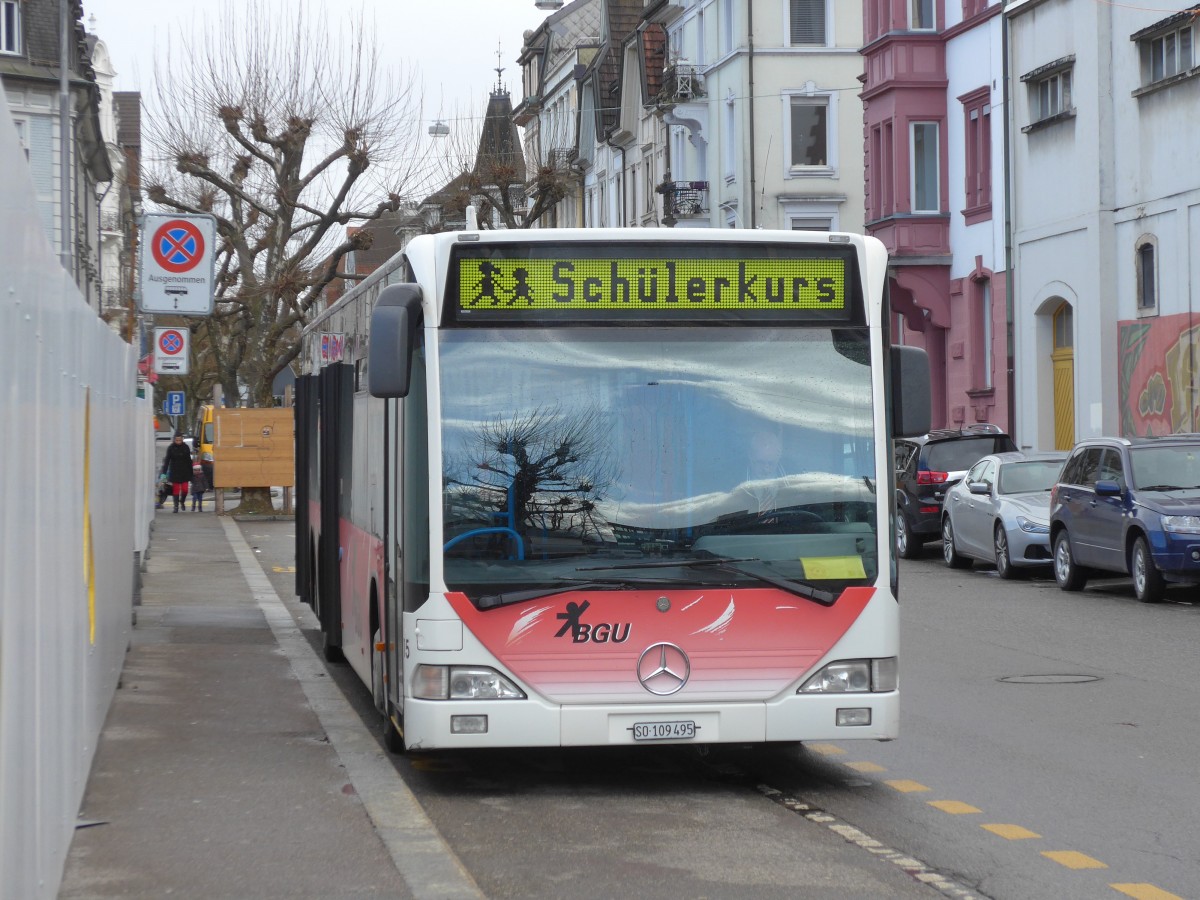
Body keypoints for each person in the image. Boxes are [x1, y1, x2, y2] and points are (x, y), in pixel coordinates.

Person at [161, 432, 194, 513]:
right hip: (174, 471)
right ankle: (176, 506)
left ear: (182, 439)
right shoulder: (171, 448)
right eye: (177, 440)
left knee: (185, 489)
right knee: (176, 490)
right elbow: (167, 461)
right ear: (174, 439)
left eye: (180, 440)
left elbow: (189, 461)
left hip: (185, 471)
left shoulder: (186, 447)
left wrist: (191, 473)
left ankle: (182, 501)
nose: (178, 442)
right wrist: (164, 474)